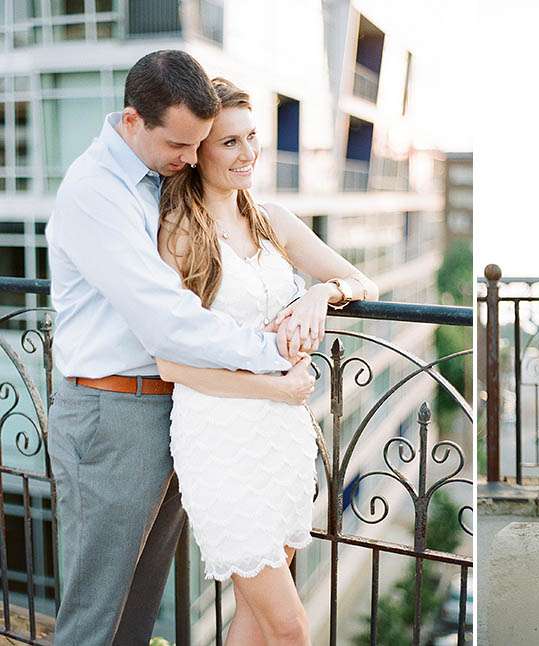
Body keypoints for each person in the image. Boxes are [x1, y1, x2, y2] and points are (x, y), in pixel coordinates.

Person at [46, 50, 310, 645]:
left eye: (198, 147)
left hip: (173, 408)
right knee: (95, 618)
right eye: (180, 147)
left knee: (137, 611)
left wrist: (310, 302)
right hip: (110, 415)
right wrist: (274, 351)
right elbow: (170, 324)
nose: (189, 160)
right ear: (133, 120)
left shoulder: (155, 181)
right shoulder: (97, 191)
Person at [155, 76, 377, 645]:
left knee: (253, 621)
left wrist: (317, 295)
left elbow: (359, 281)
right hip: (222, 439)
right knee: (291, 627)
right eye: (230, 142)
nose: (248, 154)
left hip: (281, 441)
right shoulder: (181, 236)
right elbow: (170, 367)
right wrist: (274, 390)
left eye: (252, 138)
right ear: (198, 150)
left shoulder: (272, 220)